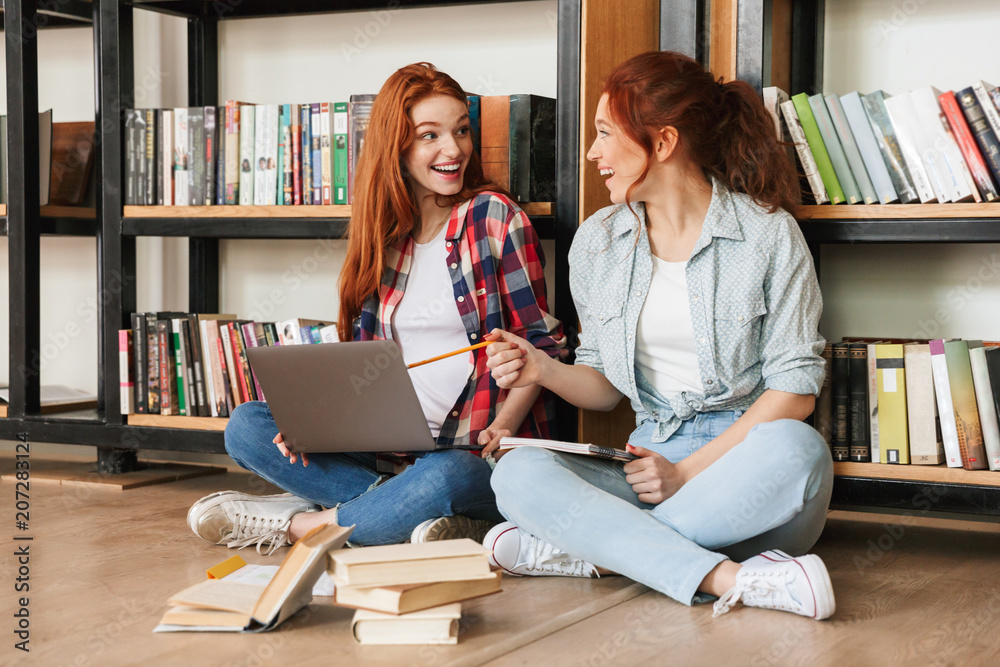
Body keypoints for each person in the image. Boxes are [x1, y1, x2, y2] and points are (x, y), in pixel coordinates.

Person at [482, 51, 835, 621]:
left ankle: (599, 552)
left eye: (604, 134)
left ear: (663, 142)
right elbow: (604, 386)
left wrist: (686, 474)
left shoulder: (768, 234)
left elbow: (794, 392)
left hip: (742, 474)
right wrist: (541, 370)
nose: (592, 153)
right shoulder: (598, 243)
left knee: (800, 450)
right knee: (519, 472)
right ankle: (730, 576)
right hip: (647, 464)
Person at [187, 62, 564, 554]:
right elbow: (365, 370)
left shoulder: (493, 218)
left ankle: (298, 524)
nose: (454, 149)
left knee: (445, 476)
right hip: (387, 450)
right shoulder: (386, 239)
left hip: (474, 452)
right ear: (396, 147)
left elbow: (543, 345)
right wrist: (313, 428)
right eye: (430, 135)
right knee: (248, 427)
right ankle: (410, 518)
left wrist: (507, 424)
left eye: (461, 131)